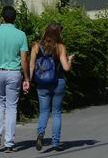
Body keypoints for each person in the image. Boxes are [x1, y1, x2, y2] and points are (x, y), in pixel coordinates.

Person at [0, 5, 30, 153]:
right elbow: (24, 60)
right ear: (14, 18)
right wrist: (27, 78)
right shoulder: (21, 35)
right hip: (14, 73)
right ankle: (9, 142)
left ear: (2, 17)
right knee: (11, 107)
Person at [29, 23, 74, 152]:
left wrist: (29, 81)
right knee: (56, 113)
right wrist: (70, 60)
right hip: (58, 82)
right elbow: (66, 68)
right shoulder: (60, 47)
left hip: (42, 84)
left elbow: (31, 66)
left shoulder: (36, 46)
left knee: (43, 112)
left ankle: (41, 134)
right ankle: (55, 142)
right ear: (58, 34)